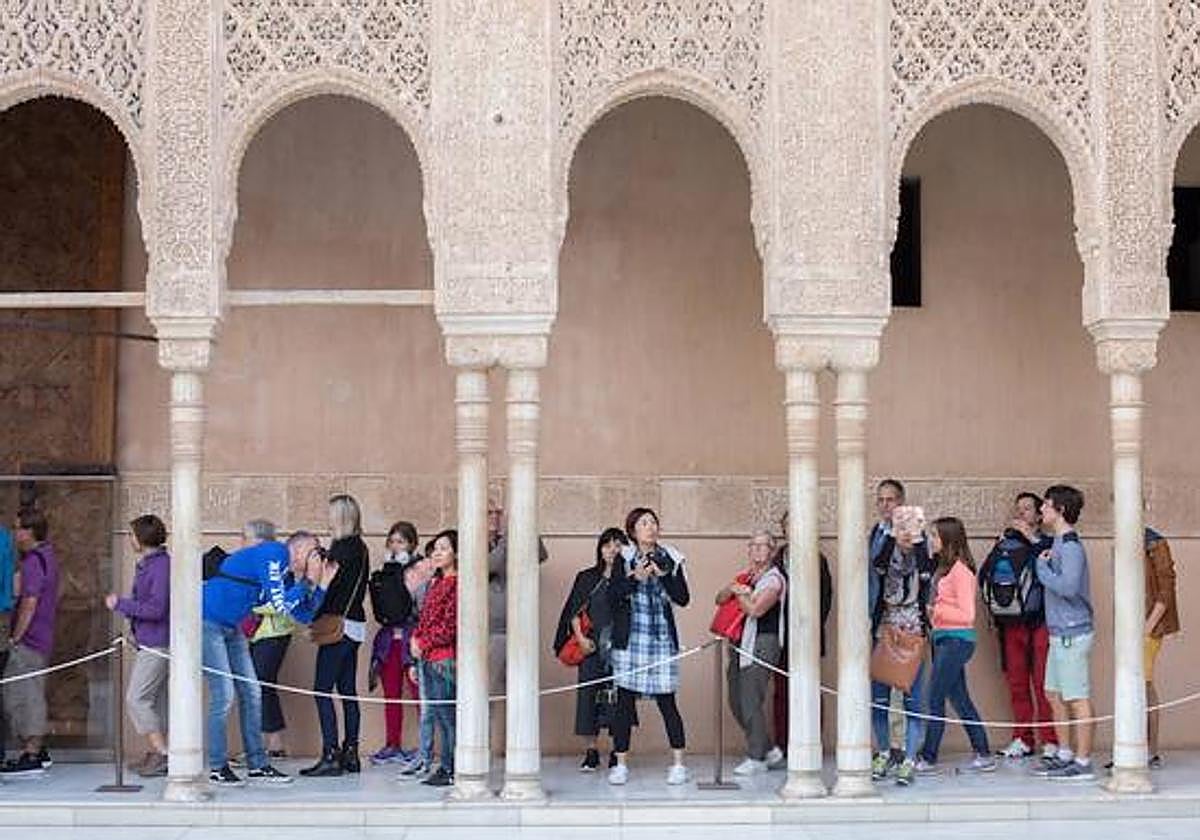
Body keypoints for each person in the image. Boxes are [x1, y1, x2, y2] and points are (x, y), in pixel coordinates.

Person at [203, 530, 334, 785]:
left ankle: (258, 765)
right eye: (313, 553)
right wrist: (308, 582)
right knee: (224, 695)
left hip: (233, 627)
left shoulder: (285, 573)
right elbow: (280, 605)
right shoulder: (273, 553)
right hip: (208, 622)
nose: (315, 559)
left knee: (253, 692)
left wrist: (322, 585)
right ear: (298, 550)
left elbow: (302, 616)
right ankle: (218, 766)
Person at [607, 507, 691, 786]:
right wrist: (635, 579)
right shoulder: (624, 557)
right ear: (633, 530)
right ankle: (620, 764)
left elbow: (683, 598)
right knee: (624, 701)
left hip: (661, 639)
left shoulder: (672, 557)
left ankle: (678, 764)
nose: (650, 527)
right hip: (631, 639)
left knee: (667, 700)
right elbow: (614, 595)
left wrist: (664, 575)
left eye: (653, 522)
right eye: (644, 523)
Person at [978, 492, 1057, 761]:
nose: (1022, 513)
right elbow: (983, 577)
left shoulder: (1048, 541)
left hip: (1040, 622)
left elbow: (1054, 572)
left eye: (1027, 509)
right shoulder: (1005, 543)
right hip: (1011, 624)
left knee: (1043, 684)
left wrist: (1033, 540)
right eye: (1018, 509)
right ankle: (1023, 738)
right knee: (1017, 684)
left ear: (1038, 515)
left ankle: (1050, 740)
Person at [915, 517, 994, 774]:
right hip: (943, 639)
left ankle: (928, 757)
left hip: (956, 641)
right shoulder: (943, 568)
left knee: (934, 698)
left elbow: (967, 614)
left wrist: (936, 610)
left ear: (948, 539)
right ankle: (983, 752)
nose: (931, 541)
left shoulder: (962, 571)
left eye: (935, 536)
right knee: (960, 700)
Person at [302, 494, 370, 777]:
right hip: (355, 624)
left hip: (337, 626)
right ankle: (351, 752)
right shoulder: (362, 548)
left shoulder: (341, 549)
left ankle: (330, 753)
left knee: (321, 690)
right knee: (347, 692)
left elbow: (328, 590)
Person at [1033, 484, 1096, 781]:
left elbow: (1069, 587)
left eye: (1045, 505)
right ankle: (1065, 752)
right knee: (1054, 694)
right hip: (1059, 631)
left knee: (1076, 697)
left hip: (1073, 631)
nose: (1041, 510)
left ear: (1060, 509)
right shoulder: (1057, 543)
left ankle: (1083, 761)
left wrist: (1042, 571)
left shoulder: (1070, 546)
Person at [869, 503, 933, 787]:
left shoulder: (923, 551)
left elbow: (927, 570)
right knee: (879, 699)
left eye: (910, 526)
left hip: (913, 632)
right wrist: (894, 536)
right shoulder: (887, 549)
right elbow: (878, 565)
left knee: (913, 700)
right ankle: (884, 752)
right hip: (885, 631)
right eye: (902, 526)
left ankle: (909, 759)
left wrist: (917, 539)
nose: (906, 533)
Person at [552, 527, 627, 772]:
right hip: (591, 646)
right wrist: (581, 638)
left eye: (618, 545)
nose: (612, 550)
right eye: (607, 544)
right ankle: (591, 751)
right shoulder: (586, 577)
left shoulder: (628, 578)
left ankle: (619, 751)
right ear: (600, 548)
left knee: (619, 700)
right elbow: (574, 611)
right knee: (588, 698)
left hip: (620, 646)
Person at [105, 514, 171, 777]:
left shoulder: (159, 567)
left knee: (137, 698)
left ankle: (163, 753)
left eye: (132, 535)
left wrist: (120, 604)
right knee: (157, 700)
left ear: (142, 538)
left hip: (158, 642)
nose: (130, 539)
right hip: (152, 640)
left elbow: (156, 608)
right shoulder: (151, 564)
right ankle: (158, 751)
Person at [717, 529, 786, 775]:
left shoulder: (773, 579)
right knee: (736, 700)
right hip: (739, 643)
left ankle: (757, 757)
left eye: (763, 545)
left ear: (772, 550)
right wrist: (734, 589)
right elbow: (720, 598)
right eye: (753, 545)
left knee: (750, 700)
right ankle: (769, 750)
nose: (757, 549)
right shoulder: (746, 578)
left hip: (762, 643)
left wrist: (742, 596)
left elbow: (756, 610)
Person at [1, 508, 59, 776]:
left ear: (30, 531)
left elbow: (29, 602)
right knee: (29, 690)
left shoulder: (34, 561)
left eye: (18, 528)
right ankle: (36, 748)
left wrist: (16, 636)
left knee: (25, 695)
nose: (15, 534)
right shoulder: (47, 556)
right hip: (42, 635)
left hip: (31, 639)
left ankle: (32, 751)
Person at [486, 502, 548, 753]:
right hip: (490, 632)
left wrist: (526, 525)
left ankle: (520, 750)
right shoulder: (471, 541)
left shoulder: (508, 539)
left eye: (498, 513)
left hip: (518, 629)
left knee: (521, 693)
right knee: (484, 694)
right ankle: (481, 750)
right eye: (489, 513)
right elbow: (490, 565)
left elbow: (540, 554)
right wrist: (508, 539)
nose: (495, 518)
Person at [770, 510, 833, 755]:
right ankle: (783, 744)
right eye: (788, 525)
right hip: (781, 634)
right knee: (781, 690)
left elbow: (825, 597)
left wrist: (812, 626)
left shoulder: (818, 559)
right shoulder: (776, 559)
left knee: (810, 689)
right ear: (783, 530)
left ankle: (811, 742)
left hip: (808, 634)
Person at [369, 520, 423, 766]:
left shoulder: (421, 568)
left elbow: (419, 605)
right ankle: (393, 744)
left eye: (400, 541)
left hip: (412, 638)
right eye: (392, 541)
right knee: (391, 694)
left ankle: (426, 745)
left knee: (419, 694)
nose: (395, 546)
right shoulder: (385, 569)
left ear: (411, 544)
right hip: (389, 638)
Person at [241, 519, 293, 760]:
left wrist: (255, 606)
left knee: (259, 685)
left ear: (259, 540)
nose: (242, 543)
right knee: (263, 686)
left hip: (273, 633)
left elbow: (281, 601)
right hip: (259, 634)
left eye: (245, 537)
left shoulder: (278, 564)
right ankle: (272, 744)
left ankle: (265, 745)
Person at [411, 529, 459, 788]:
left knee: (447, 715)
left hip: (444, 658)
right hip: (427, 657)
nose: (437, 553)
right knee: (437, 714)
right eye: (435, 549)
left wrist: (424, 643)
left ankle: (451, 767)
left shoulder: (457, 584)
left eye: (444, 548)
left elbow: (450, 626)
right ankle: (445, 764)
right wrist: (415, 641)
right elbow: (425, 619)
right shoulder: (436, 583)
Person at [868, 479, 909, 772]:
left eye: (891, 500)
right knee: (879, 690)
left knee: (899, 688)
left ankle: (900, 747)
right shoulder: (876, 532)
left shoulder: (909, 534)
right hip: (877, 618)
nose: (885, 505)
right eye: (881, 500)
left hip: (901, 620)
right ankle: (883, 747)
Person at [1141, 525, 1179, 768]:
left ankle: (1149, 751)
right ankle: (1137, 747)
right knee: (1139, 687)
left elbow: (1166, 591)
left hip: (1148, 626)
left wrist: (1146, 628)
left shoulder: (1156, 543)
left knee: (1143, 686)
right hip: (1130, 627)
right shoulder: (1126, 541)